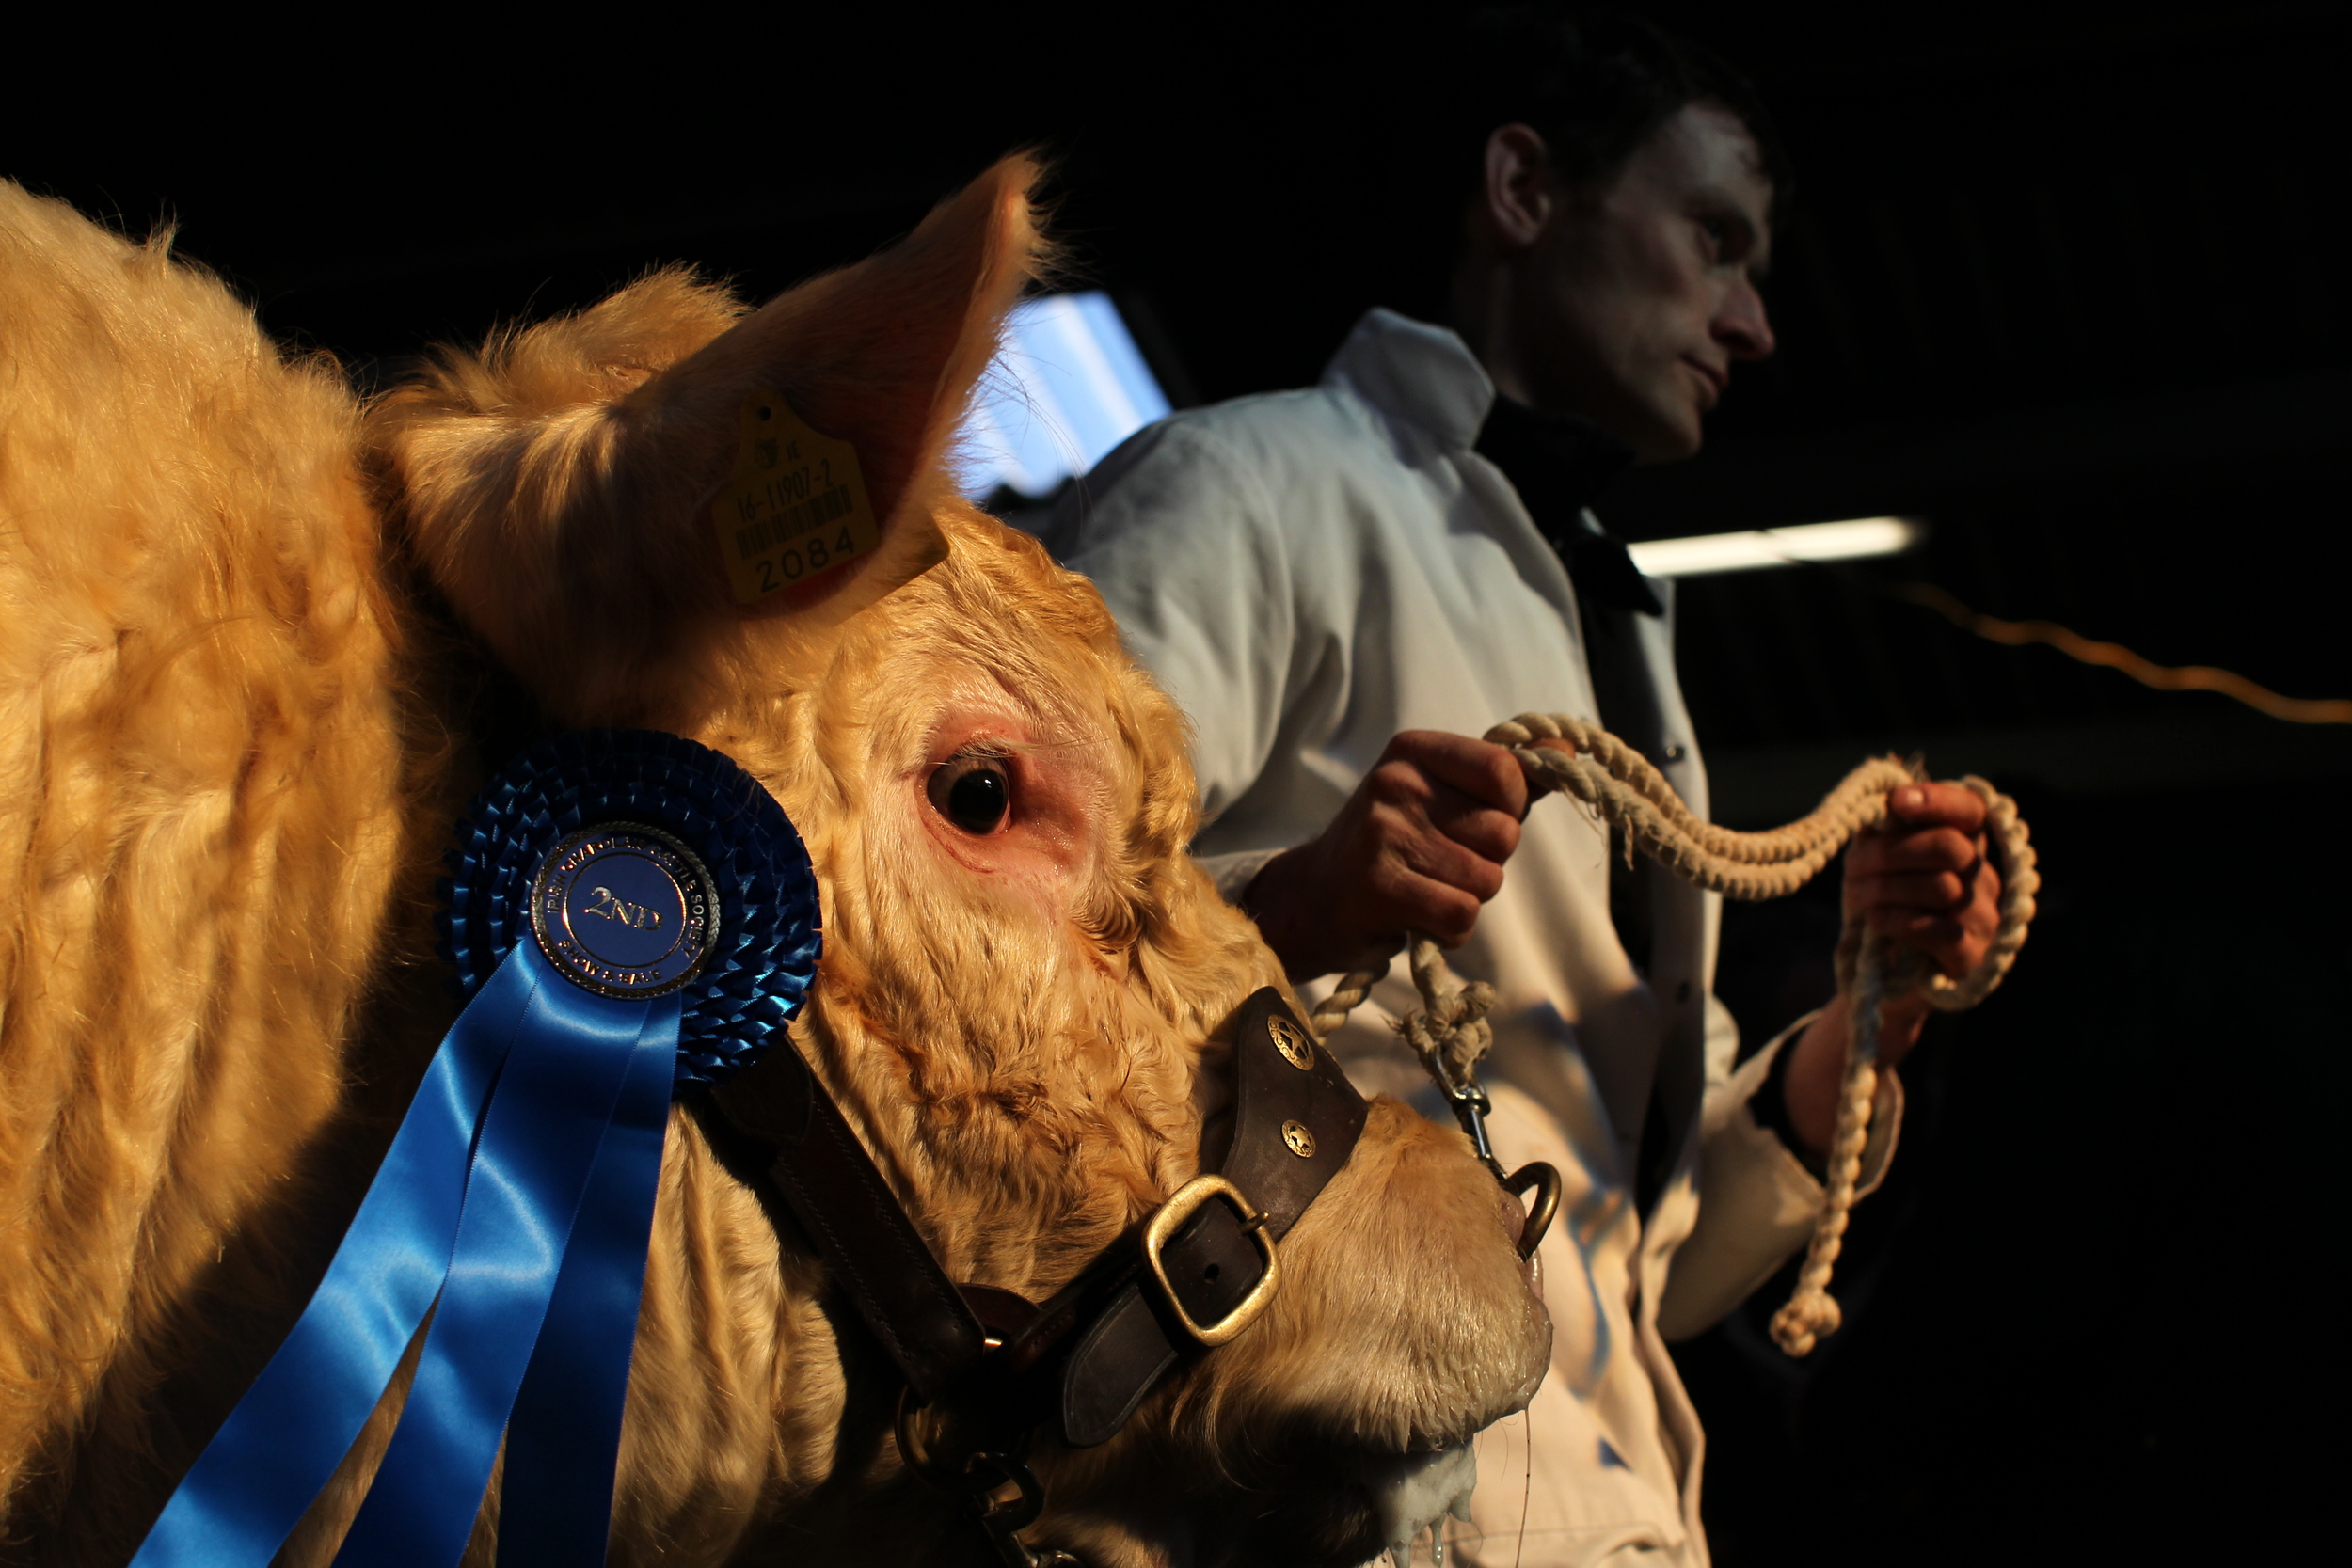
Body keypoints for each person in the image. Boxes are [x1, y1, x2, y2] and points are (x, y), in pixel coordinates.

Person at [1041, 8, 2003, 1566]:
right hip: (1307, 1503)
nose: (1753, 322)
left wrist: (1859, 1027)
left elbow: (1641, 1268)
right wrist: (1296, 908)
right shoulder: (1247, 486)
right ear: (1523, 190)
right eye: (1716, 240)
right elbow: (982, 966)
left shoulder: (1626, 642)